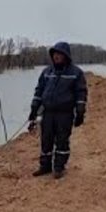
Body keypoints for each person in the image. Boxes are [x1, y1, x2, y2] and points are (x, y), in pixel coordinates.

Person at [28, 41, 88, 179]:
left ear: (66, 56)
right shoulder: (47, 72)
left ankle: (59, 167)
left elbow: (81, 93)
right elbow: (39, 91)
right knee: (46, 140)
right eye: (54, 54)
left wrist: (80, 112)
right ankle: (45, 166)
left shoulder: (76, 73)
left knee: (62, 141)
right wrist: (33, 109)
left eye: (59, 54)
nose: (56, 56)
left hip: (65, 114)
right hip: (47, 113)